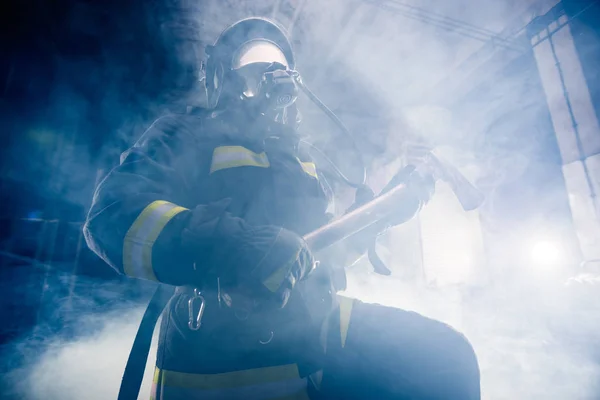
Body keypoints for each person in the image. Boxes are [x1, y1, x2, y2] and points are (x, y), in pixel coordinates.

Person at [84, 17, 480, 399]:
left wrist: (388, 206)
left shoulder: (299, 158)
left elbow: (316, 251)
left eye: (280, 64)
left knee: (445, 359)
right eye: (255, 62)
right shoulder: (187, 132)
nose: (272, 71)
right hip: (220, 348)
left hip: (315, 325)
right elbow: (111, 215)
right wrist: (233, 246)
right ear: (222, 77)